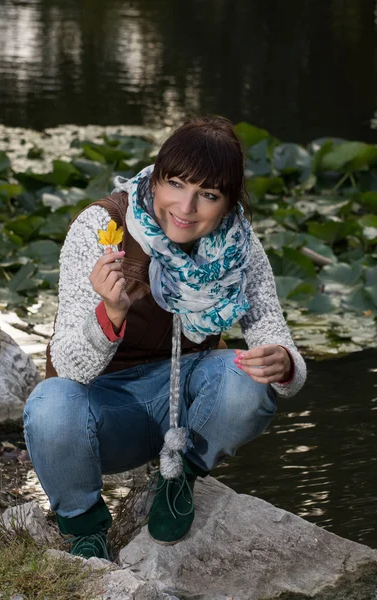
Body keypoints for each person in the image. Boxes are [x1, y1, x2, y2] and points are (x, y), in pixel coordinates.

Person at [23, 116, 306, 560]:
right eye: (175, 184)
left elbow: (272, 329)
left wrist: (285, 363)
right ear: (155, 179)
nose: (186, 207)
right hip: (105, 409)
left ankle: (178, 478)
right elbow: (70, 366)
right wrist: (110, 313)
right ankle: (84, 527)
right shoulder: (101, 228)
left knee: (250, 378)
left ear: (229, 204)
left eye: (208, 195)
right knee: (47, 406)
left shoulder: (239, 247)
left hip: (183, 404)